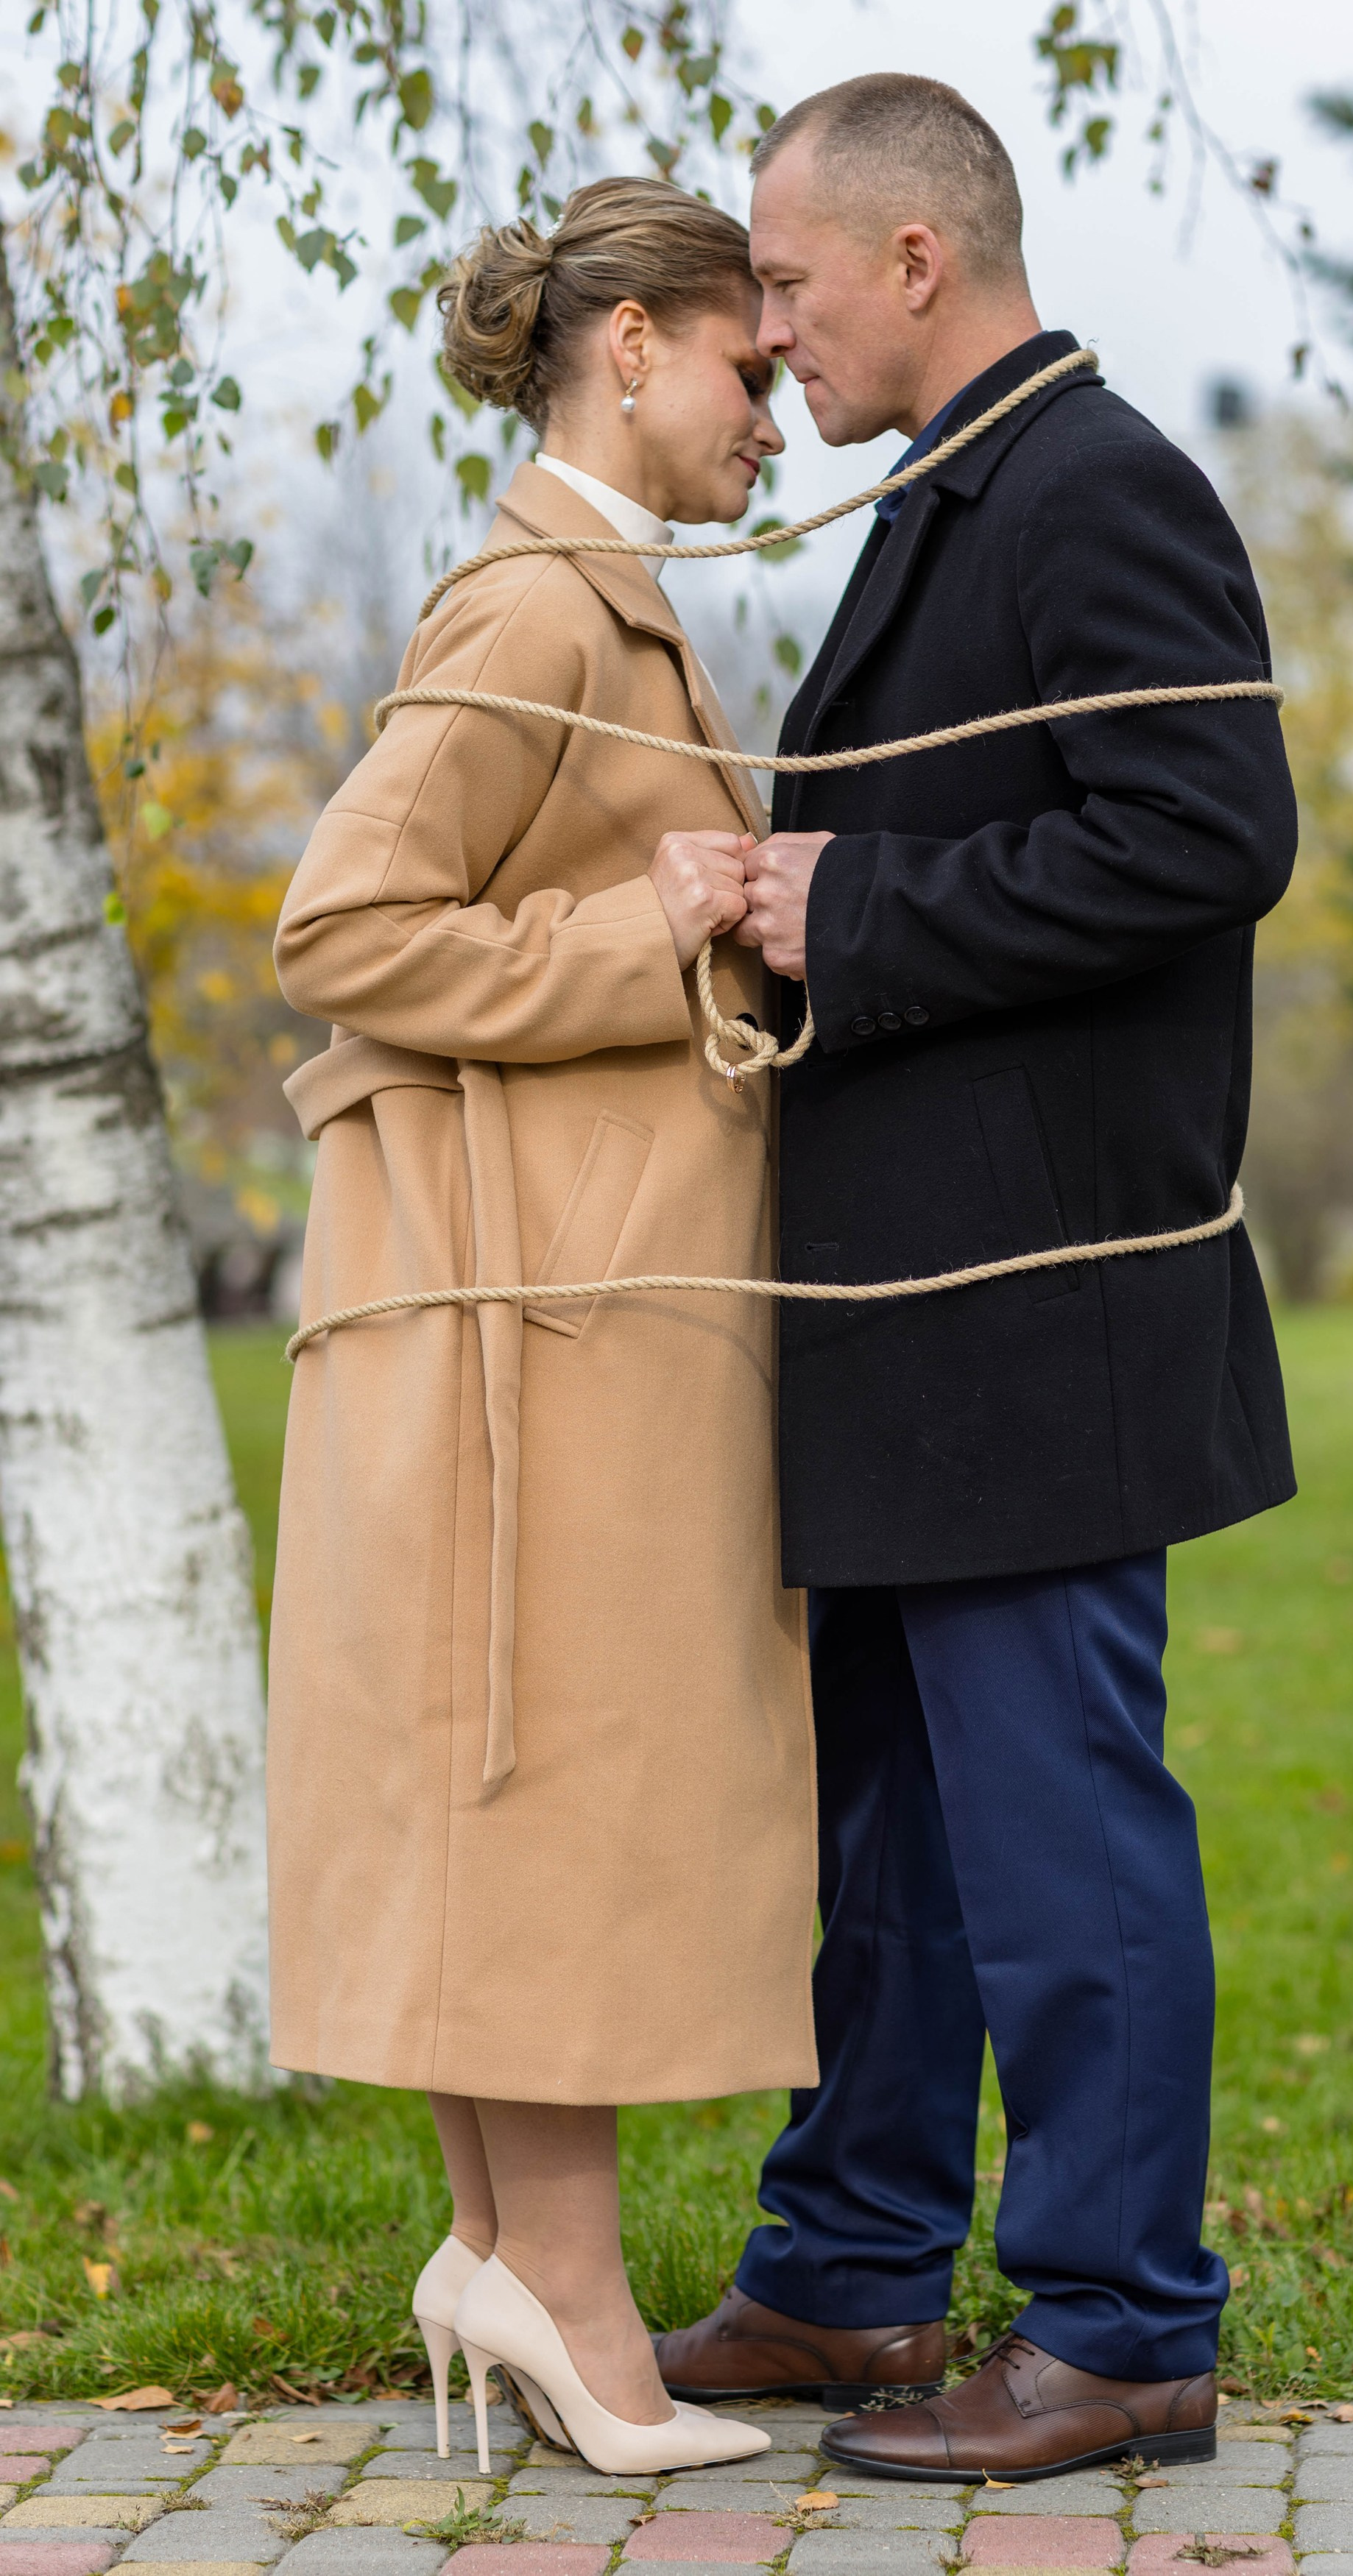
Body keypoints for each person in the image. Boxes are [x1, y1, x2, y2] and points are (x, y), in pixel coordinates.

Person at [653, 78, 1299, 2480]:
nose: (775, 335)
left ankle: (1127, 2318)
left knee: (1060, 1838)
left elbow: (1212, 828)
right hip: (913, 1330)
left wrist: (862, 909)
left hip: (1047, 1314)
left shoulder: (1098, 481)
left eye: (795, 289)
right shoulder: (954, 494)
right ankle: (851, 2272)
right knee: (891, 1849)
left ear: (921, 260)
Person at [266, 176, 817, 2478]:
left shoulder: (601, 604)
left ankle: (515, 2261)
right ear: (630, 349)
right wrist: (659, 928)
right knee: (553, 1782)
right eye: (748, 369)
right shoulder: (536, 606)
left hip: (555, 1307)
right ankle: (564, 2297)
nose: (773, 417)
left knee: (524, 1786)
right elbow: (339, 924)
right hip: (539, 1322)